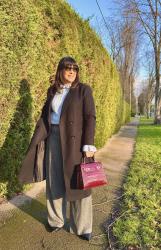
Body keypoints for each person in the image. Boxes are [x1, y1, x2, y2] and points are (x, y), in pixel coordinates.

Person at [18, 56, 96, 241]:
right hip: (53, 137)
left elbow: (90, 117)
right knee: (54, 181)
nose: (71, 71)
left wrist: (89, 143)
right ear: (60, 70)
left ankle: (82, 226)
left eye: (74, 69)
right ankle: (55, 220)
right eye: (67, 68)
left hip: (76, 143)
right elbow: (47, 114)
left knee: (79, 182)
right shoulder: (53, 91)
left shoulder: (83, 90)